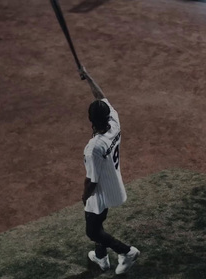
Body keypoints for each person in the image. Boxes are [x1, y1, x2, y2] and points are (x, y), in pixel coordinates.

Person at [79, 66, 140, 274]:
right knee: (98, 223)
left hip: (100, 190)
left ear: (90, 120)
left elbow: (92, 181)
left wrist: (85, 196)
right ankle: (101, 258)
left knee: (92, 230)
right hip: (113, 185)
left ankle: (127, 252)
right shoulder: (114, 122)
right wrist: (87, 76)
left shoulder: (93, 148)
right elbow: (101, 97)